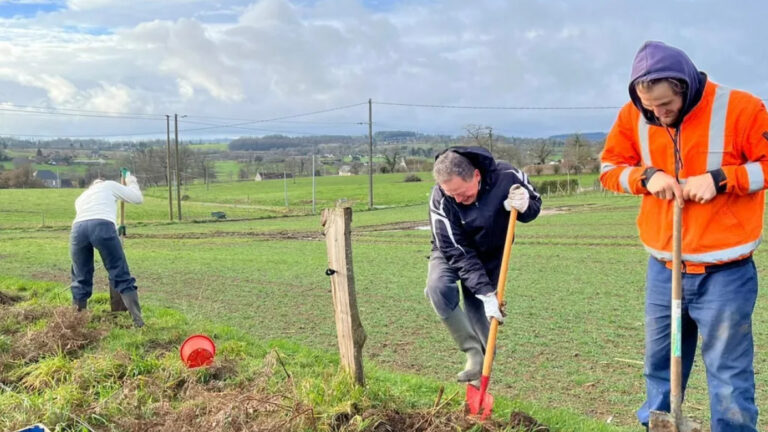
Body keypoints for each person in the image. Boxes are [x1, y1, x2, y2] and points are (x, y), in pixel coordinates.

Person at [600, 41, 768, 431]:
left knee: (728, 375)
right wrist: (647, 176)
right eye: (649, 106)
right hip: (665, 269)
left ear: (685, 86)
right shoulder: (636, 115)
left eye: (664, 104)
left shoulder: (742, 109)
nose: (657, 114)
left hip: (725, 273)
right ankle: (658, 425)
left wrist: (724, 179)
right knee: (660, 365)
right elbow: (610, 168)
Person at [426, 146, 541, 384]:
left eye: (463, 194)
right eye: (452, 195)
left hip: (491, 252)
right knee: (437, 287)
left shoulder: (508, 177)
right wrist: (486, 291)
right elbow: (456, 252)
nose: (458, 200)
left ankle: (480, 384)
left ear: (476, 176)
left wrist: (525, 205)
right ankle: (472, 352)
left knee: (482, 319)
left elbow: (533, 208)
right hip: (453, 250)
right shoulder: (439, 198)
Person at [70, 172, 145, 328]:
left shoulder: (82, 197)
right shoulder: (109, 185)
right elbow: (137, 198)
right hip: (102, 226)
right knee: (120, 273)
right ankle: (138, 323)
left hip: (77, 230)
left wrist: (115, 228)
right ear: (102, 182)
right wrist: (131, 181)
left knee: (80, 277)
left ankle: (76, 323)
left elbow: (90, 220)